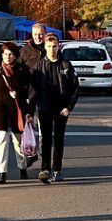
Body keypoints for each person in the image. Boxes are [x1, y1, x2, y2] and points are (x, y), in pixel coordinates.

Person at [29, 33, 79, 184]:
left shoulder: (66, 65)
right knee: (45, 139)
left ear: (59, 47)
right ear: (45, 47)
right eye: (49, 46)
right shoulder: (39, 67)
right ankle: (45, 169)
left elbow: (75, 88)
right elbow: (33, 91)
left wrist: (69, 107)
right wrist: (30, 112)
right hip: (44, 108)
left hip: (61, 109)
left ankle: (57, 169)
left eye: (55, 46)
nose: (52, 49)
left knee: (58, 139)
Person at [0, 42, 33, 184]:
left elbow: (29, 90)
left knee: (17, 141)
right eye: (4, 54)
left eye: (10, 54)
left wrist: (20, 94)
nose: (7, 57)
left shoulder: (23, 70)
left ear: (15, 55)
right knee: (2, 139)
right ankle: (2, 172)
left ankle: (22, 167)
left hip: (18, 109)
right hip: (1, 108)